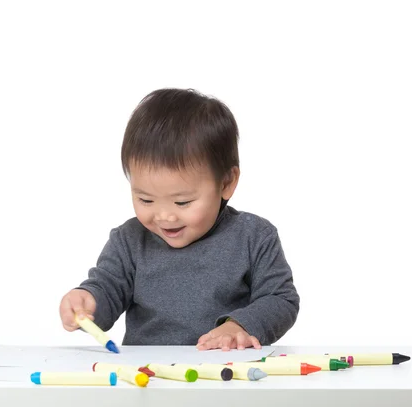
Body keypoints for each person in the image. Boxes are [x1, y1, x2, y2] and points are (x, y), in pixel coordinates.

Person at [59, 88, 299, 350]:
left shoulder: (254, 237)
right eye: (145, 200)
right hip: (150, 378)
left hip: (228, 375)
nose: (164, 216)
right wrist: (88, 300)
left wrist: (238, 326)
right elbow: (108, 288)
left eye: (183, 202)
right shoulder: (129, 241)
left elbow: (280, 299)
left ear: (226, 183)